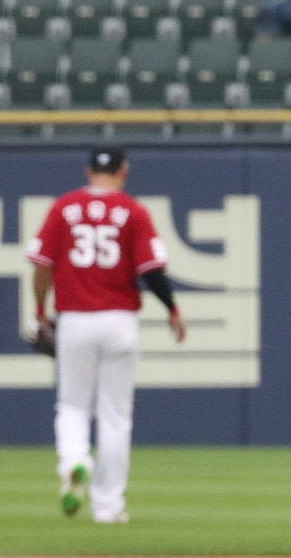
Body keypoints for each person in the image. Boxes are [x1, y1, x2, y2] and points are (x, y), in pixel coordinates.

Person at [26, 147, 186, 525]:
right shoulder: (133, 211)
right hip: (120, 321)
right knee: (115, 416)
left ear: (88, 171)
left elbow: (41, 265)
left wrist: (39, 310)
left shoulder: (64, 208)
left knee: (72, 406)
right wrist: (173, 310)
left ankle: (75, 461)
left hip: (75, 319)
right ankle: (109, 507)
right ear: (123, 172)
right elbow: (152, 271)